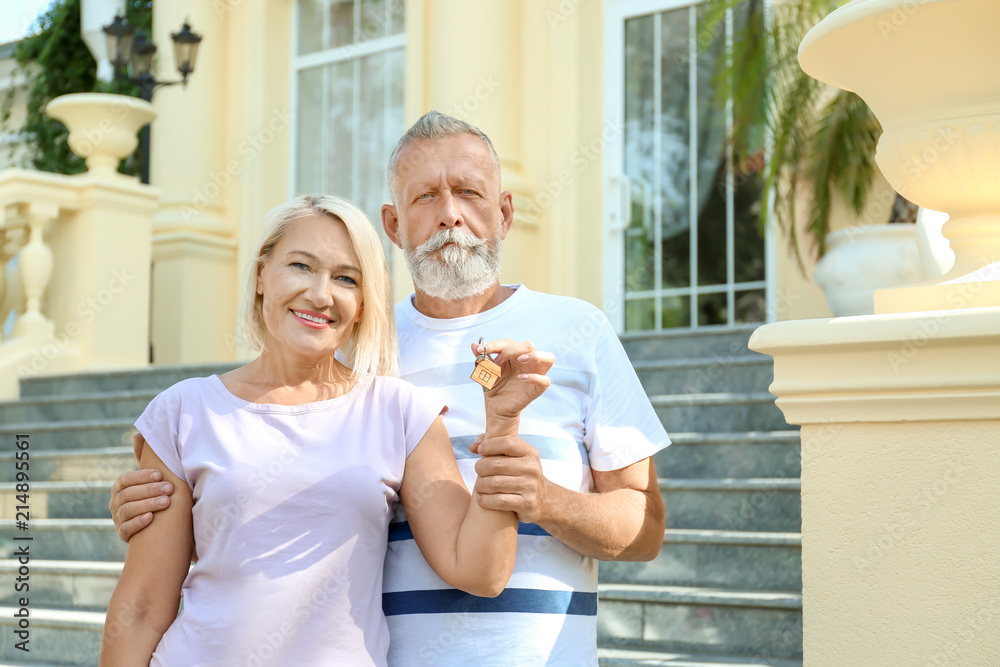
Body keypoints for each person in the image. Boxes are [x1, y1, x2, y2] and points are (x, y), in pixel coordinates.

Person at [111, 112, 670, 666]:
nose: (450, 214)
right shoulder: (347, 346)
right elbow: (263, 464)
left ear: (503, 214)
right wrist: (171, 505)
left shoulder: (579, 330)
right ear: (395, 225)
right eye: (425, 197)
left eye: (469, 193)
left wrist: (546, 500)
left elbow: (644, 532)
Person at [99, 194, 553, 666]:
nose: (320, 294)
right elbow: (141, 611)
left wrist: (502, 424)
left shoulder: (400, 412)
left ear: (361, 304)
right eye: (300, 266)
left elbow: (479, 570)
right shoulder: (182, 411)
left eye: (345, 279)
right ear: (260, 276)